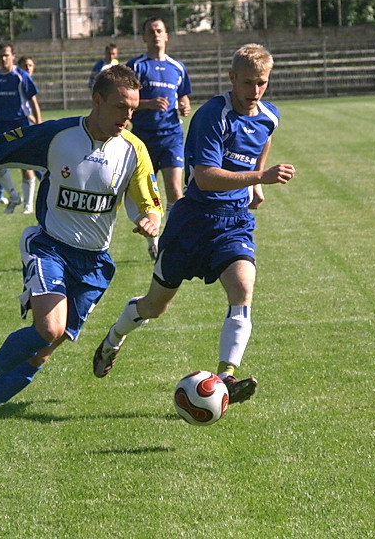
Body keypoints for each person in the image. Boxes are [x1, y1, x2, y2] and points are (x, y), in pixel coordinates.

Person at [0, 65, 163, 442]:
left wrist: (151, 220)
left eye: (133, 110)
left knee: (42, 352)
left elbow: (150, 201)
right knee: (49, 328)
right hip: (49, 247)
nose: (128, 117)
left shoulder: (134, 150)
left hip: (95, 263)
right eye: (120, 108)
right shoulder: (58, 135)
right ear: (97, 101)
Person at [92, 43, 296, 406]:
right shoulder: (212, 116)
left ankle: (226, 378)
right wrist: (260, 177)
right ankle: (112, 340)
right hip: (194, 220)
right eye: (248, 83)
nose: (255, 91)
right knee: (155, 305)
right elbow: (204, 178)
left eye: (262, 83)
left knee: (243, 289)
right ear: (232, 78)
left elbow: (263, 141)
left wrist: (255, 187)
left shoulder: (269, 115)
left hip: (234, 223)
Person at [125, 18, 192, 260]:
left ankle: (174, 240)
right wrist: (147, 104)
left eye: (160, 30)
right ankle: (153, 239)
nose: (155, 34)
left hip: (172, 135)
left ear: (167, 35)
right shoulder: (136, 66)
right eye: (151, 31)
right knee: (145, 192)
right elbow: (125, 101)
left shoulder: (178, 67)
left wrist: (184, 106)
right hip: (143, 138)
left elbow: (183, 98)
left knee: (175, 191)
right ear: (143, 37)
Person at [0, 43, 42, 214]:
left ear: (13, 56)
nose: (3, 59)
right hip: (0, 124)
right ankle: (14, 196)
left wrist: (38, 123)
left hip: (20, 123)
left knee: (26, 164)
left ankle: (28, 205)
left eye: (6, 55)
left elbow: (33, 101)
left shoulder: (21, 76)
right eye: (0, 55)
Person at [17, 56, 38, 125]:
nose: (28, 68)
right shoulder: (17, 82)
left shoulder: (29, 82)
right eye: (25, 66)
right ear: (19, 67)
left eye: (30, 65)